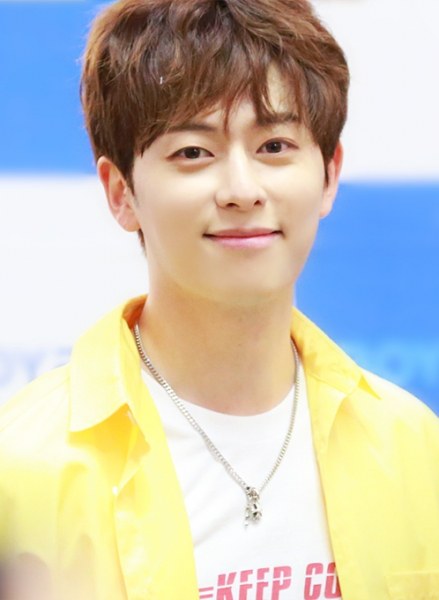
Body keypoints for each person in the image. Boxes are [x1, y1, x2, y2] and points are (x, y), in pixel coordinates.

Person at [1, 0, 438, 598]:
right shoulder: (22, 467)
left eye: (275, 146)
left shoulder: (411, 444)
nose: (241, 189)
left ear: (329, 175)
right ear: (121, 192)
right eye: (193, 152)